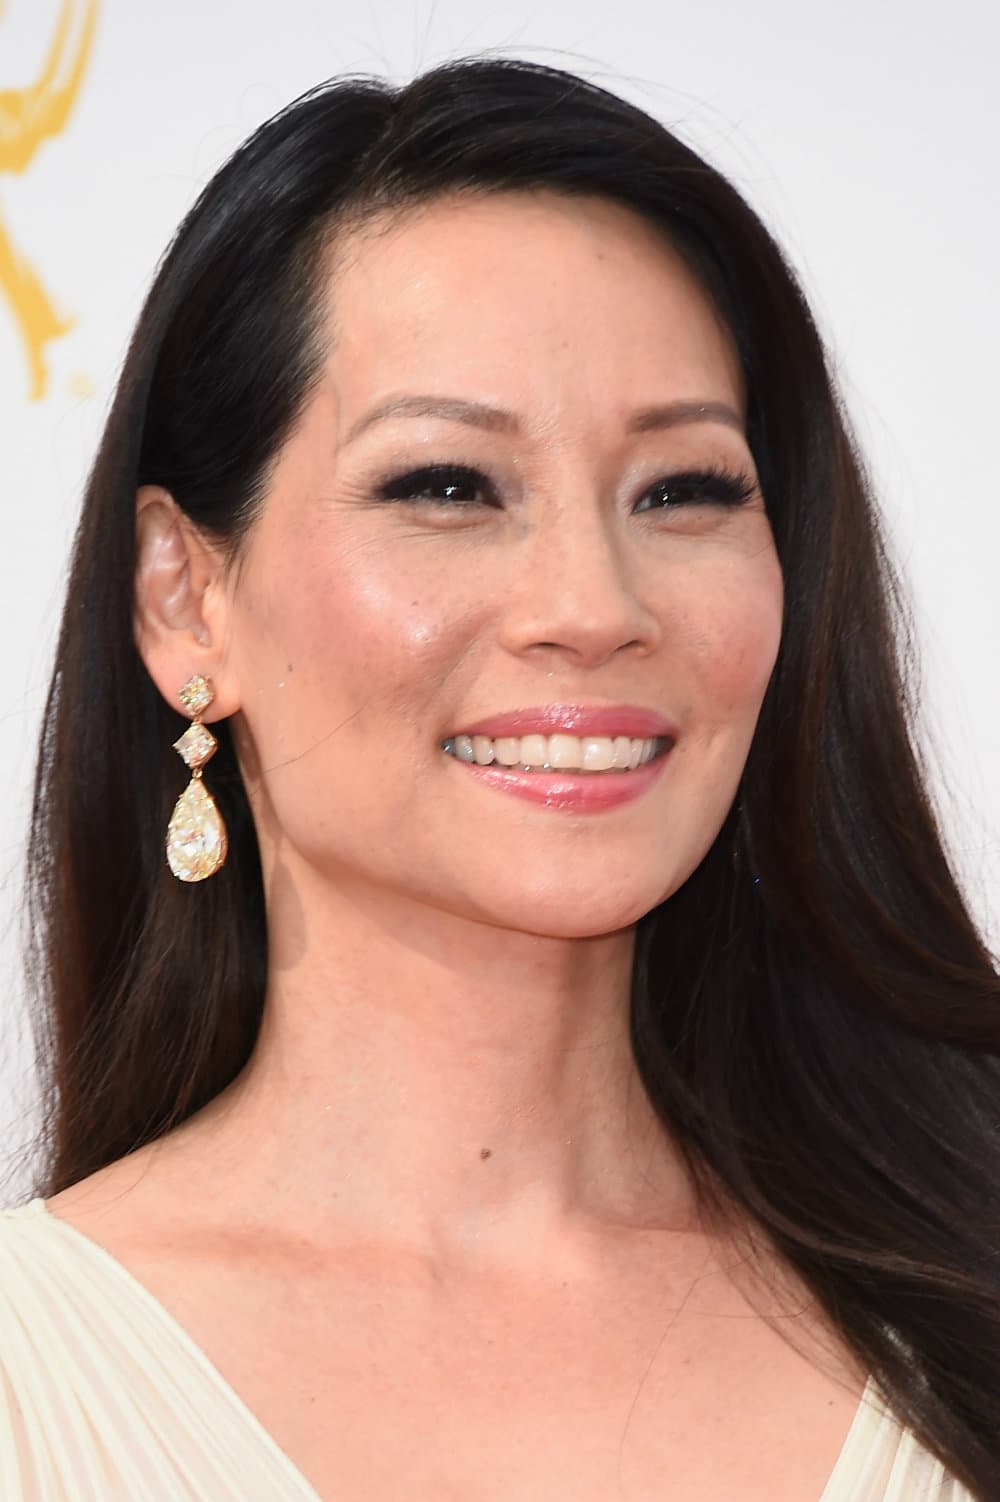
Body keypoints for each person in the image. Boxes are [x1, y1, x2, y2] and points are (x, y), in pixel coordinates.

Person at [0, 55, 995, 1501]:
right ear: (185, 598)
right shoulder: (32, 1376)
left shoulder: (963, 1291)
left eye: (685, 490)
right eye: (449, 487)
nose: (593, 605)